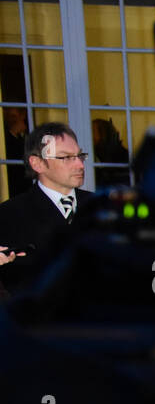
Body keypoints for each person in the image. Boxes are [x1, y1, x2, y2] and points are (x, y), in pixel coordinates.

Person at [0, 122, 94, 292]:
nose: (80, 165)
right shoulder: (9, 215)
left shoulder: (100, 205)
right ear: (37, 164)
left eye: (80, 156)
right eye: (66, 157)